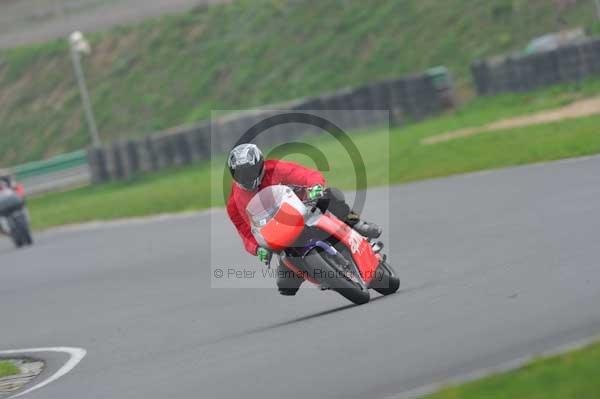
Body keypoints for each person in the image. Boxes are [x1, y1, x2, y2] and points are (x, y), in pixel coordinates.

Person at [226, 143, 381, 296]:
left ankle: (355, 223)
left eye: (249, 171)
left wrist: (315, 187)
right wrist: (257, 249)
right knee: (285, 286)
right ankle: (317, 273)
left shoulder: (276, 168)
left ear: (260, 165)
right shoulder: (234, 202)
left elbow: (305, 174)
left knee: (330, 194)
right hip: (279, 237)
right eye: (239, 173)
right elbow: (244, 231)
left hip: (303, 211)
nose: (246, 177)